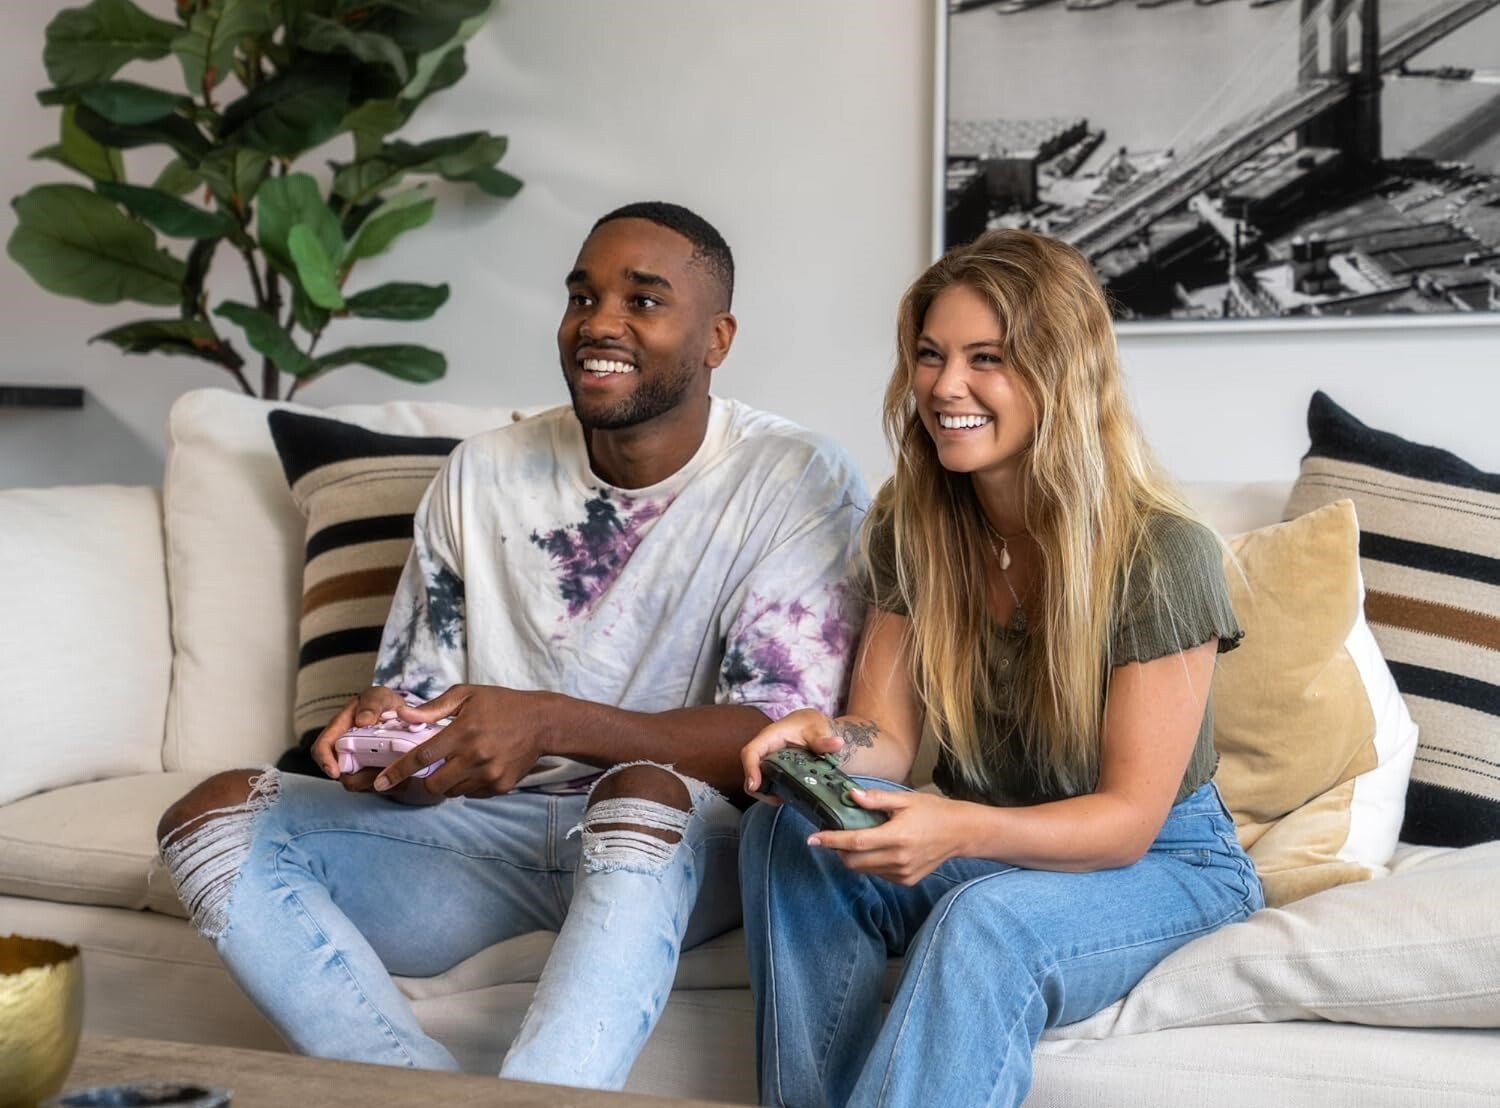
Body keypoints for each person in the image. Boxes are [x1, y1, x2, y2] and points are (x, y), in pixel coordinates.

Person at [156, 201, 867, 1091]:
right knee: (214, 817)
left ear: (716, 337)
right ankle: (415, 1092)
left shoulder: (794, 478)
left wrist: (548, 724)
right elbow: (418, 735)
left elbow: (780, 744)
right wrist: (388, 742)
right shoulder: (481, 472)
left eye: (643, 301)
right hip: (483, 843)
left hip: (680, 842)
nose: (598, 323)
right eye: (582, 296)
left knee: (640, 792)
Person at [737, 229, 1264, 1108]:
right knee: (786, 835)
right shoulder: (917, 527)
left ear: (1062, 374)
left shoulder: (1161, 555)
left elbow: (1129, 822)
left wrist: (960, 827)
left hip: (1163, 862)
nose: (946, 388)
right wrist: (829, 741)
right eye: (930, 356)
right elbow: (890, 738)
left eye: (988, 358)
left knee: (984, 922)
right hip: (1001, 835)